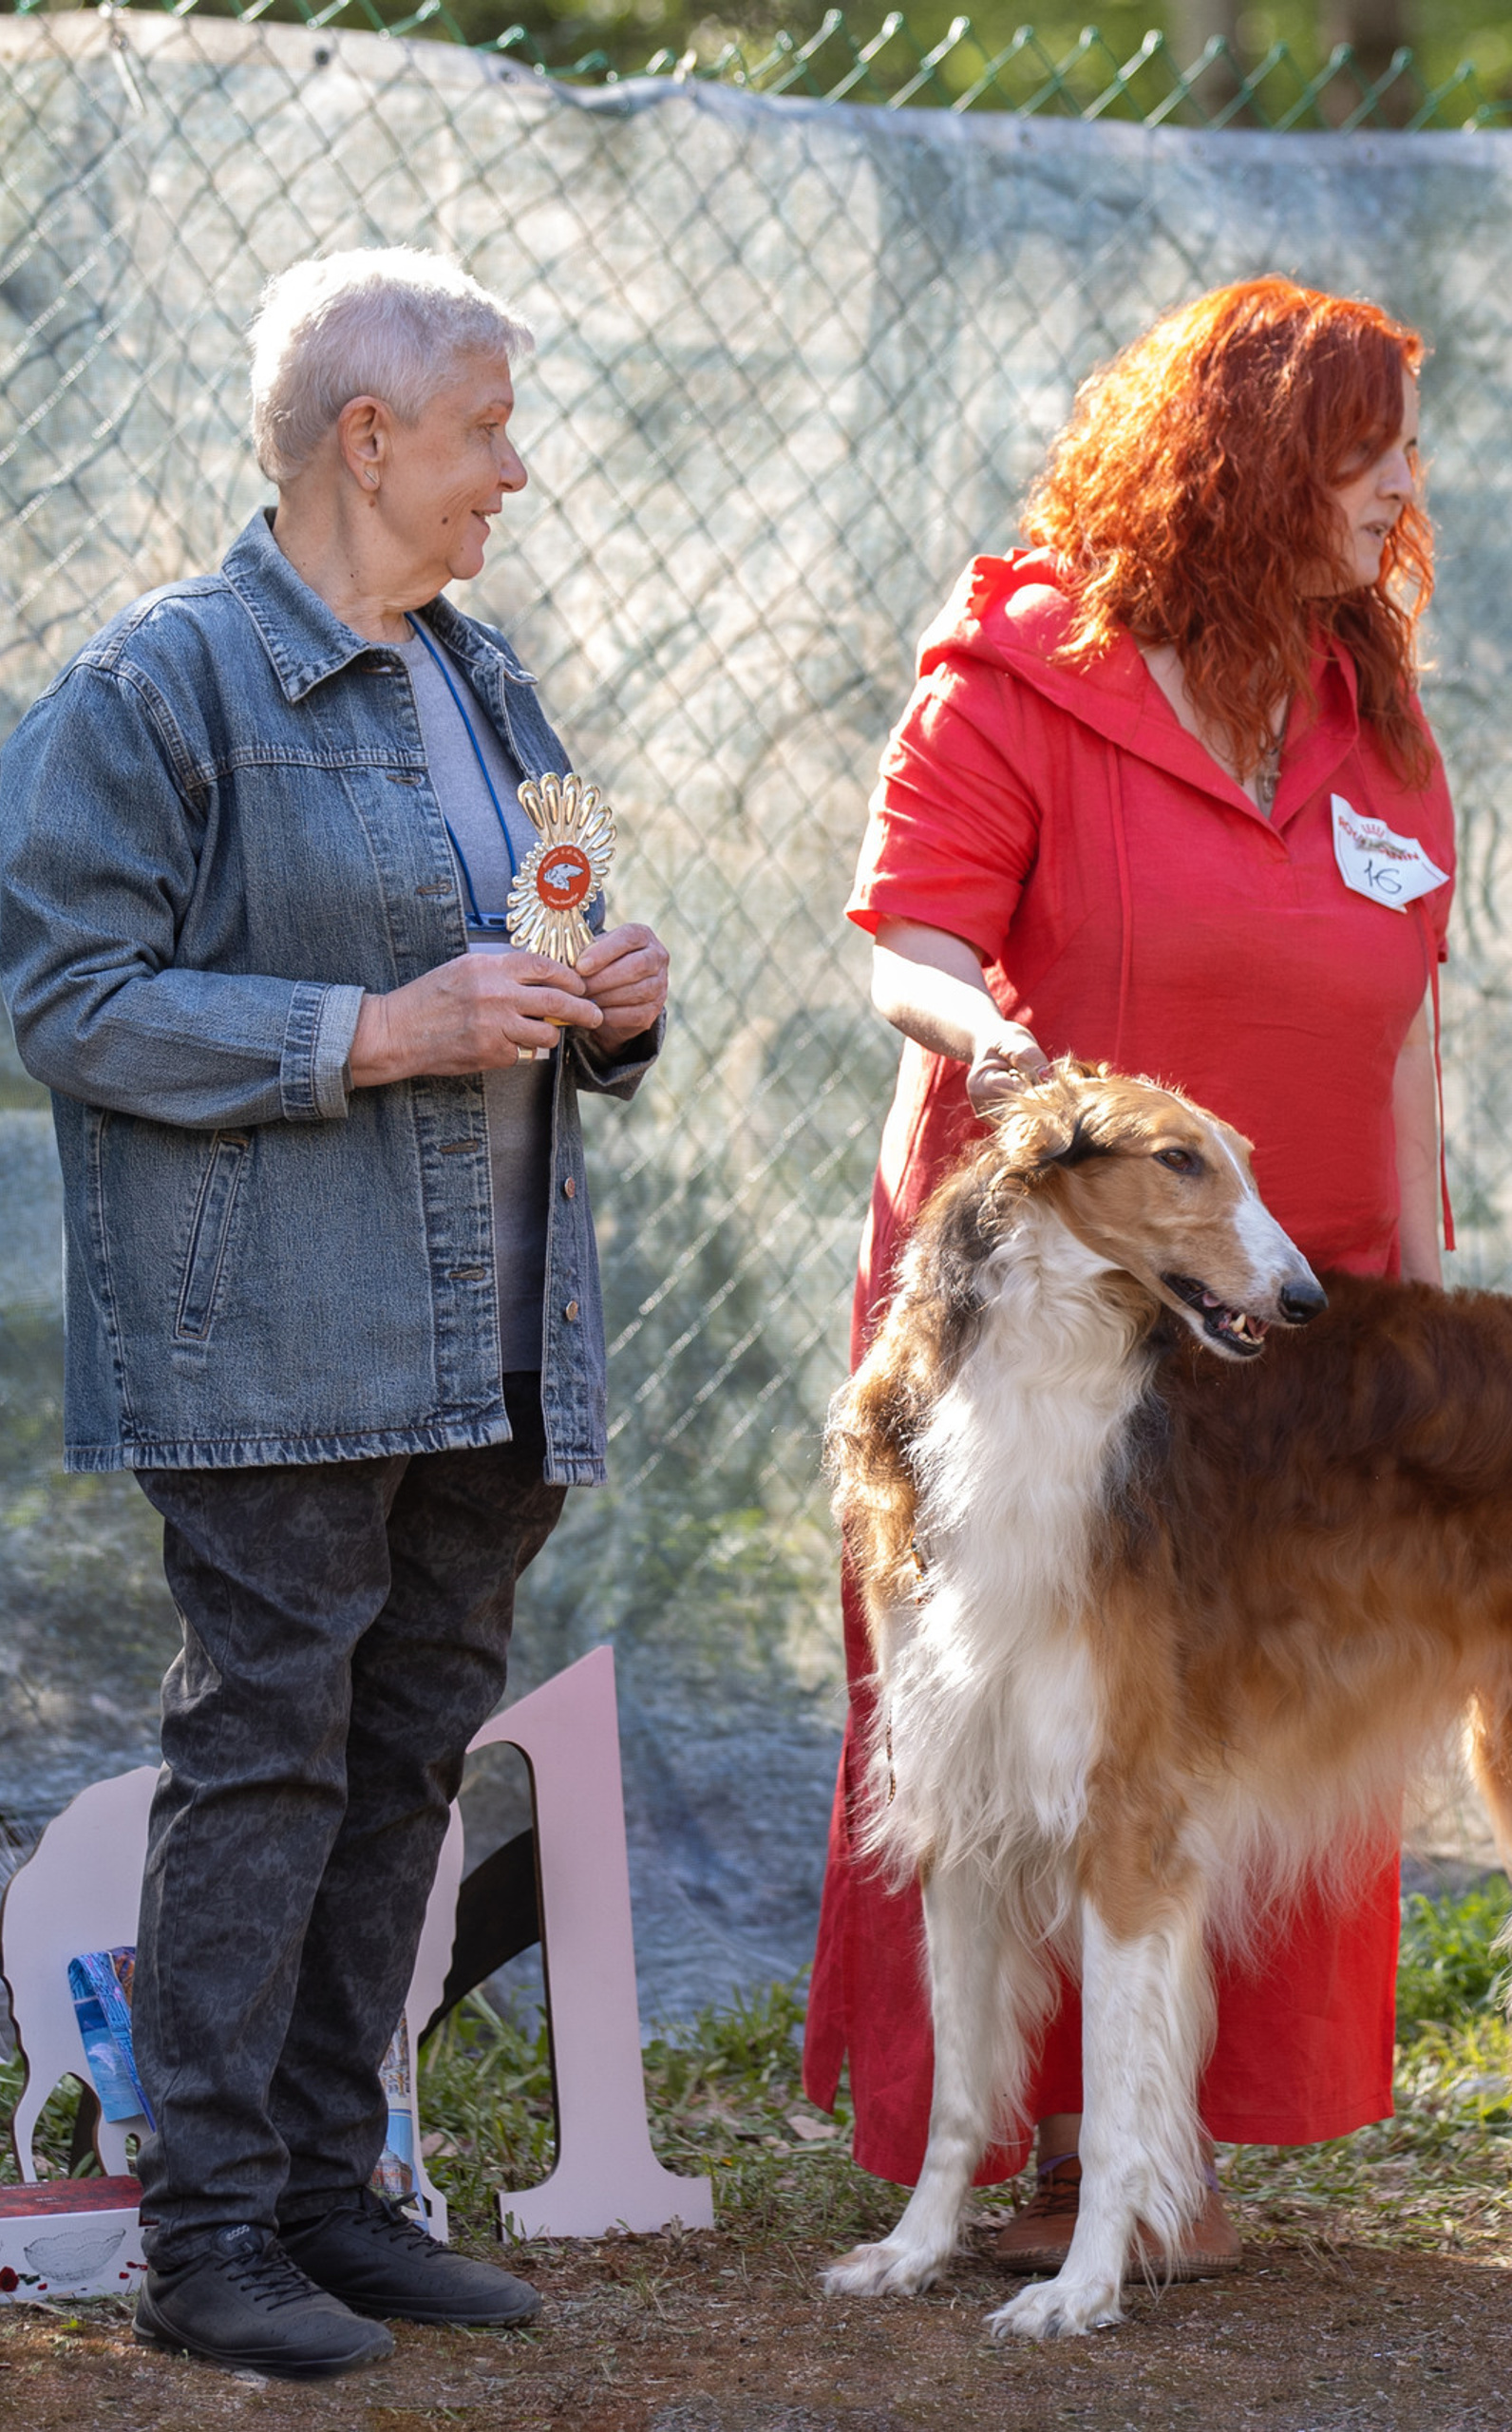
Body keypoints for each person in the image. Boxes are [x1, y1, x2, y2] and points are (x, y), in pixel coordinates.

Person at [0, 247, 670, 2380]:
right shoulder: (159, 687)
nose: (517, 471)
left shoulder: (484, 678)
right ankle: (204, 2232)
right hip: (275, 1343)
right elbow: (67, 1001)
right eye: (486, 427)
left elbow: (535, 939)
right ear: (365, 439)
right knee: (268, 1754)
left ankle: (324, 2195)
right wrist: (373, 1030)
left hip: (492, 1337)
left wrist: (613, 1000)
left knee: (402, 1759)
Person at [803, 276, 1455, 2273]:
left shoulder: (1372, 724)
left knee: (1224, 1728)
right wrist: (979, 1035)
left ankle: (1164, 2151)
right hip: (1052, 1323)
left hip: (1291, 1310)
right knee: (1025, 1741)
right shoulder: (1020, 673)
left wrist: (1427, 1311)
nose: (1401, 490)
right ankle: (1046, 2147)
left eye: (1403, 452)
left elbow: (1412, 1037)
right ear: (1245, 467)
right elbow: (907, 937)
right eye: (1361, 455)